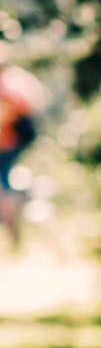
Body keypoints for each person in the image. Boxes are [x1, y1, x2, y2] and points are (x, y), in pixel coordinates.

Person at [0, 64, 43, 256]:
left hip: (6, 144)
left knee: (3, 187)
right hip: (11, 143)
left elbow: (8, 115)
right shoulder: (14, 81)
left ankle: (12, 229)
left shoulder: (6, 88)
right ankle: (13, 232)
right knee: (5, 184)